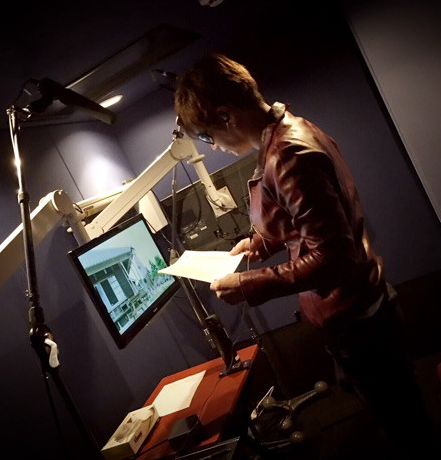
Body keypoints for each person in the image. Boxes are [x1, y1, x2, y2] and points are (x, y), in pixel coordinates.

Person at [173, 53, 439, 458]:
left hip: (359, 325)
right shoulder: (288, 132)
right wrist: (260, 243)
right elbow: (306, 220)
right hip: (361, 315)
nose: (213, 148)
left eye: (208, 137)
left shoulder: (288, 155)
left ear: (225, 116)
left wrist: (247, 284)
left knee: (410, 434)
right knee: (400, 420)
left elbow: (333, 257)